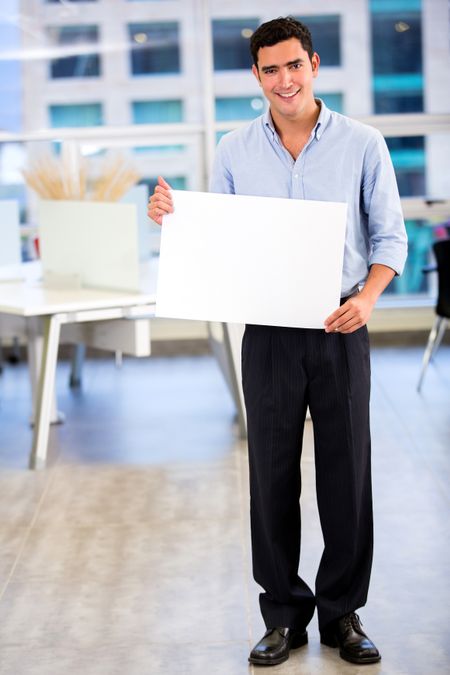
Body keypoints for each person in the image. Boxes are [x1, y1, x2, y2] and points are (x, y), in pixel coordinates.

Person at [148, 16, 407, 668]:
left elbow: (391, 239)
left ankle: (342, 612)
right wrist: (173, 220)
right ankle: (283, 614)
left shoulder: (363, 144)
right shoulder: (236, 149)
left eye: (295, 65)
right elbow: (221, 242)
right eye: (271, 69)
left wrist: (367, 300)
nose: (285, 80)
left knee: (346, 474)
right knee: (271, 474)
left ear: (314, 65)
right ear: (257, 76)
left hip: (340, 325)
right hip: (266, 332)